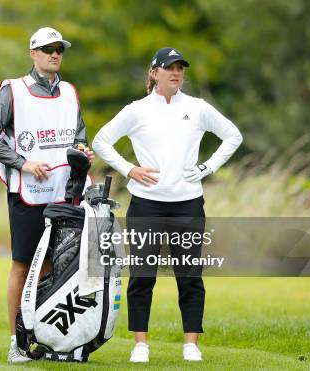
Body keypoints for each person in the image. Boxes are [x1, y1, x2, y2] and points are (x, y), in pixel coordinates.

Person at [92, 47, 243, 363]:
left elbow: (233, 136)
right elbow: (101, 141)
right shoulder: (137, 110)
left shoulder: (198, 108)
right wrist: (129, 169)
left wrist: (206, 168)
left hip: (187, 204)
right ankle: (140, 344)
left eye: (180, 68)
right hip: (146, 205)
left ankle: (191, 344)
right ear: (154, 72)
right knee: (142, 276)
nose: (176, 73)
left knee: (190, 276)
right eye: (169, 68)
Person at [0, 26, 94, 363]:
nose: (55, 53)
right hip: (28, 193)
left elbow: (78, 135)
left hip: (63, 193)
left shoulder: (69, 92)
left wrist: (83, 152)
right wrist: (23, 163)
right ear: (33, 53)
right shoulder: (14, 91)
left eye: (59, 49)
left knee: (50, 268)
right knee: (22, 264)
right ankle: (16, 342)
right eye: (47, 49)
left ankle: (40, 336)